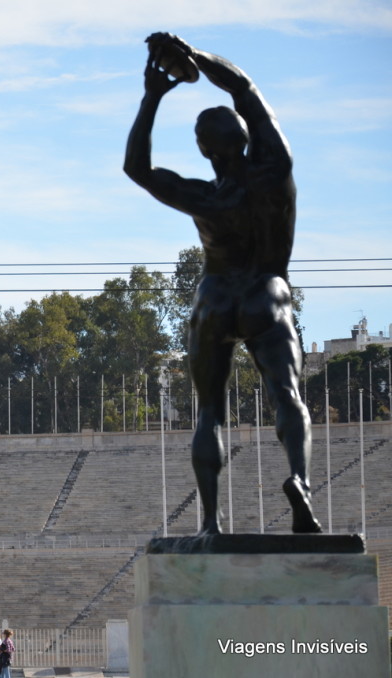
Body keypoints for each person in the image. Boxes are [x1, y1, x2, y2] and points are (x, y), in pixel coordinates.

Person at [123, 32, 322, 535]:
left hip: (215, 299)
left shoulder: (204, 198)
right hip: (266, 292)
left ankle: (211, 523)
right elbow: (243, 86)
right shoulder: (275, 168)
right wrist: (195, 56)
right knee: (287, 395)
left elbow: (137, 168)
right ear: (245, 137)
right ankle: (298, 479)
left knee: (209, 410)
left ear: (206, 152)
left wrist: (153, 95)